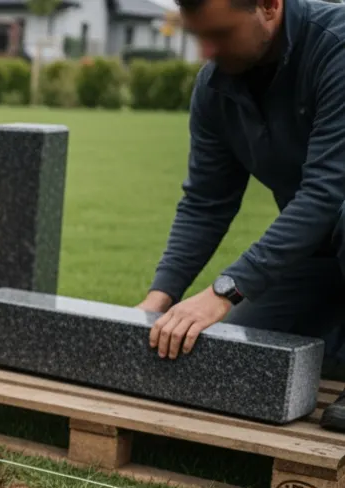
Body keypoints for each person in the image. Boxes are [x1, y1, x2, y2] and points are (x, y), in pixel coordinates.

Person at [139, 0, 345, 429]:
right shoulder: (216, 87)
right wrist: (156, 302)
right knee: (232, 358)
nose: (205, 53)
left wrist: (225, 291)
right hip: (319, 253)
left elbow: (327, 192)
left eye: (220, 35)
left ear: (270, 6)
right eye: (199, 37)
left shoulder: (336, 48)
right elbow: (206, 203)